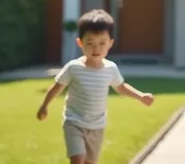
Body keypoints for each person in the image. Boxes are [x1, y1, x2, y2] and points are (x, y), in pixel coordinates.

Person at [37, 9, 155, 164]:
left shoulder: (110, 69)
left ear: (110, 43)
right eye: (90, 43)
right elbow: (57, 87)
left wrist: (140, 96)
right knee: (78, 159)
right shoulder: (73, 67)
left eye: (102, 43)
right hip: (74, 122)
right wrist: (44, 105)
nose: (96, 49)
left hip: (97, 126)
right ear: (80, 42)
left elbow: (121, 87)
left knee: (90, 162)